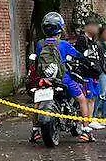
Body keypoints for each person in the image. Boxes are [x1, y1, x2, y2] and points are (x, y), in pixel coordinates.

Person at [31, 11, 97, 143]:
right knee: (82, 99)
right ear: (59, 28)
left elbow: (38, 59)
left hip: (44, 79)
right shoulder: (63, 45)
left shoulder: (40, 44)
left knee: (37, 103)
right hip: (63, 79)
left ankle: (35, 131)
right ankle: (86, 131)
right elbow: (78, 56)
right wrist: (88, 60)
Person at [71, 19, 106, 129]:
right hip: (87, 74)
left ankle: (91, 118)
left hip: (95, 74)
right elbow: (80, 56)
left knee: (94, 97)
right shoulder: (82, 39)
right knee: (88, 97)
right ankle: (87, 121)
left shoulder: (94, 41)